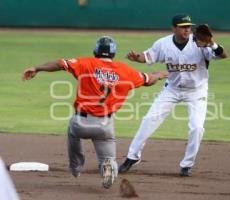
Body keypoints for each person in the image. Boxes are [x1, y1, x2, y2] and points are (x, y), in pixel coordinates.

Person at [22, 36, 167, 188]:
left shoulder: (86, 63)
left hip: (80, 122)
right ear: (113, 54)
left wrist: (37, 68)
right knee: (108, 155)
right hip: (104, 126)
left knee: (73, 133)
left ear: (95, 51)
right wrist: (158, 75)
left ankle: (76, 166)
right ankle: (108, 165)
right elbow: (148, 80)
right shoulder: (125, 71)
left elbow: (60, 63)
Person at [118, 14, 227, 176]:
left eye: (189, 27)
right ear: (174, 28)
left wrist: (212, 44)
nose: (187, 30)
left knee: (197, 128)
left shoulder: (200, 43)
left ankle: (187, 165)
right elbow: (147, 57)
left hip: (196, 91)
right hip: (172, 89)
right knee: (149, 119)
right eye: (183, 27)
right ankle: (132, 157)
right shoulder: (163, 44)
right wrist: (136, 58)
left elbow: (223, 55)